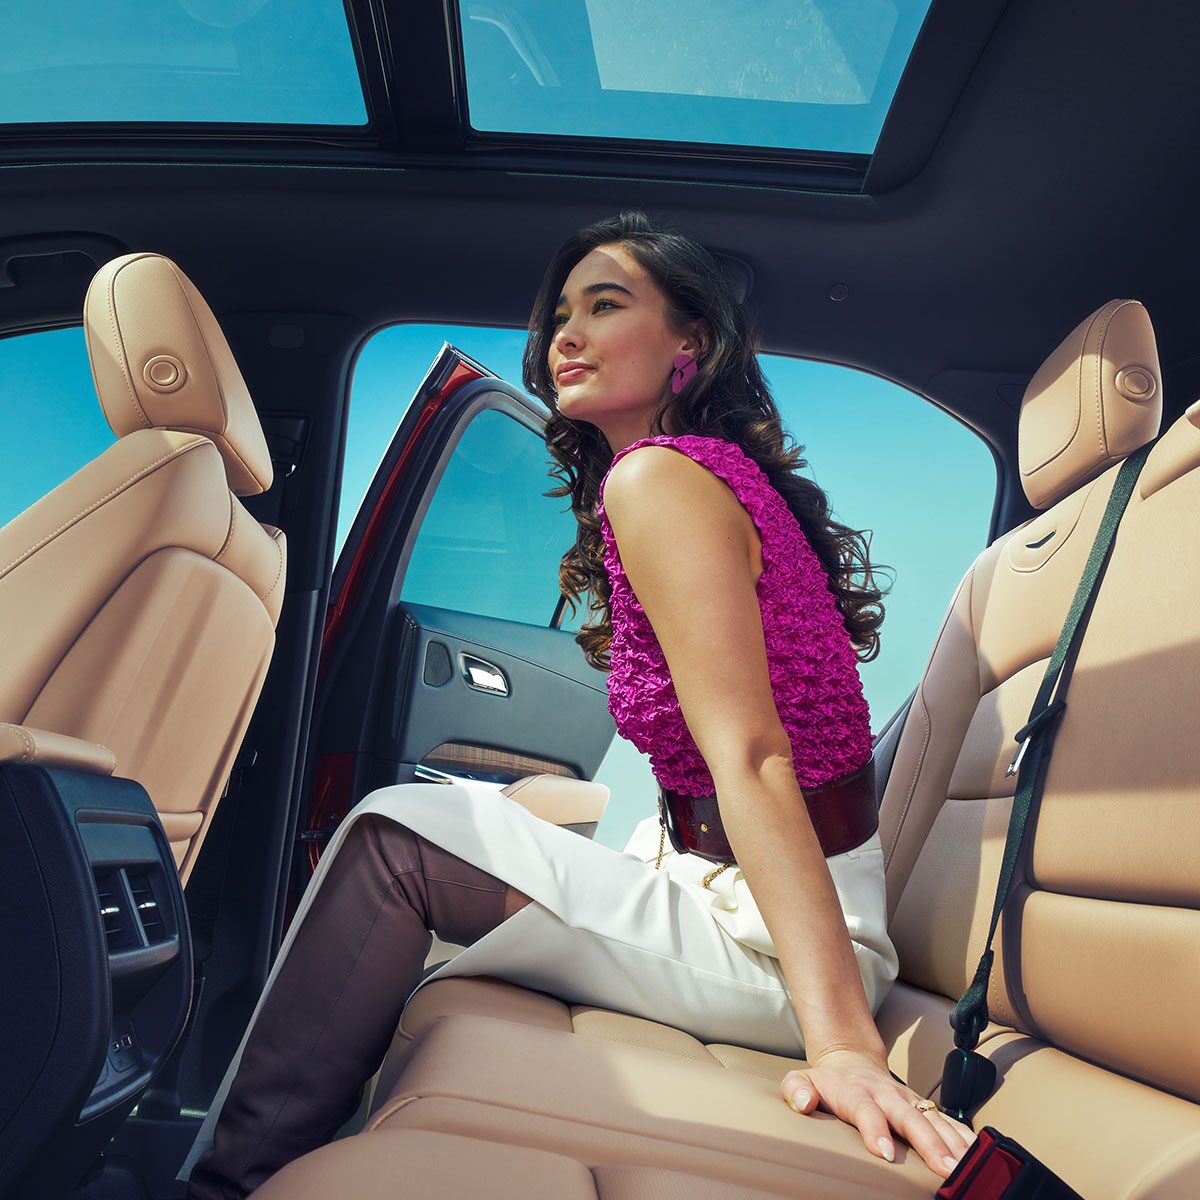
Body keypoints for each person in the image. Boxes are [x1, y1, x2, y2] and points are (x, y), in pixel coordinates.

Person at [184, 209, 977, 1199]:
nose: (566, 334)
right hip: (729, 895)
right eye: (561, 313)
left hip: (772, 944)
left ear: (691, 343)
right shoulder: (687, 480)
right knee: (439, 829)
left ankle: (221, 1184)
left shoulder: (662, 480)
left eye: (606, 305)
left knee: (394, 833)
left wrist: (843, 1044)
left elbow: (757, 758)